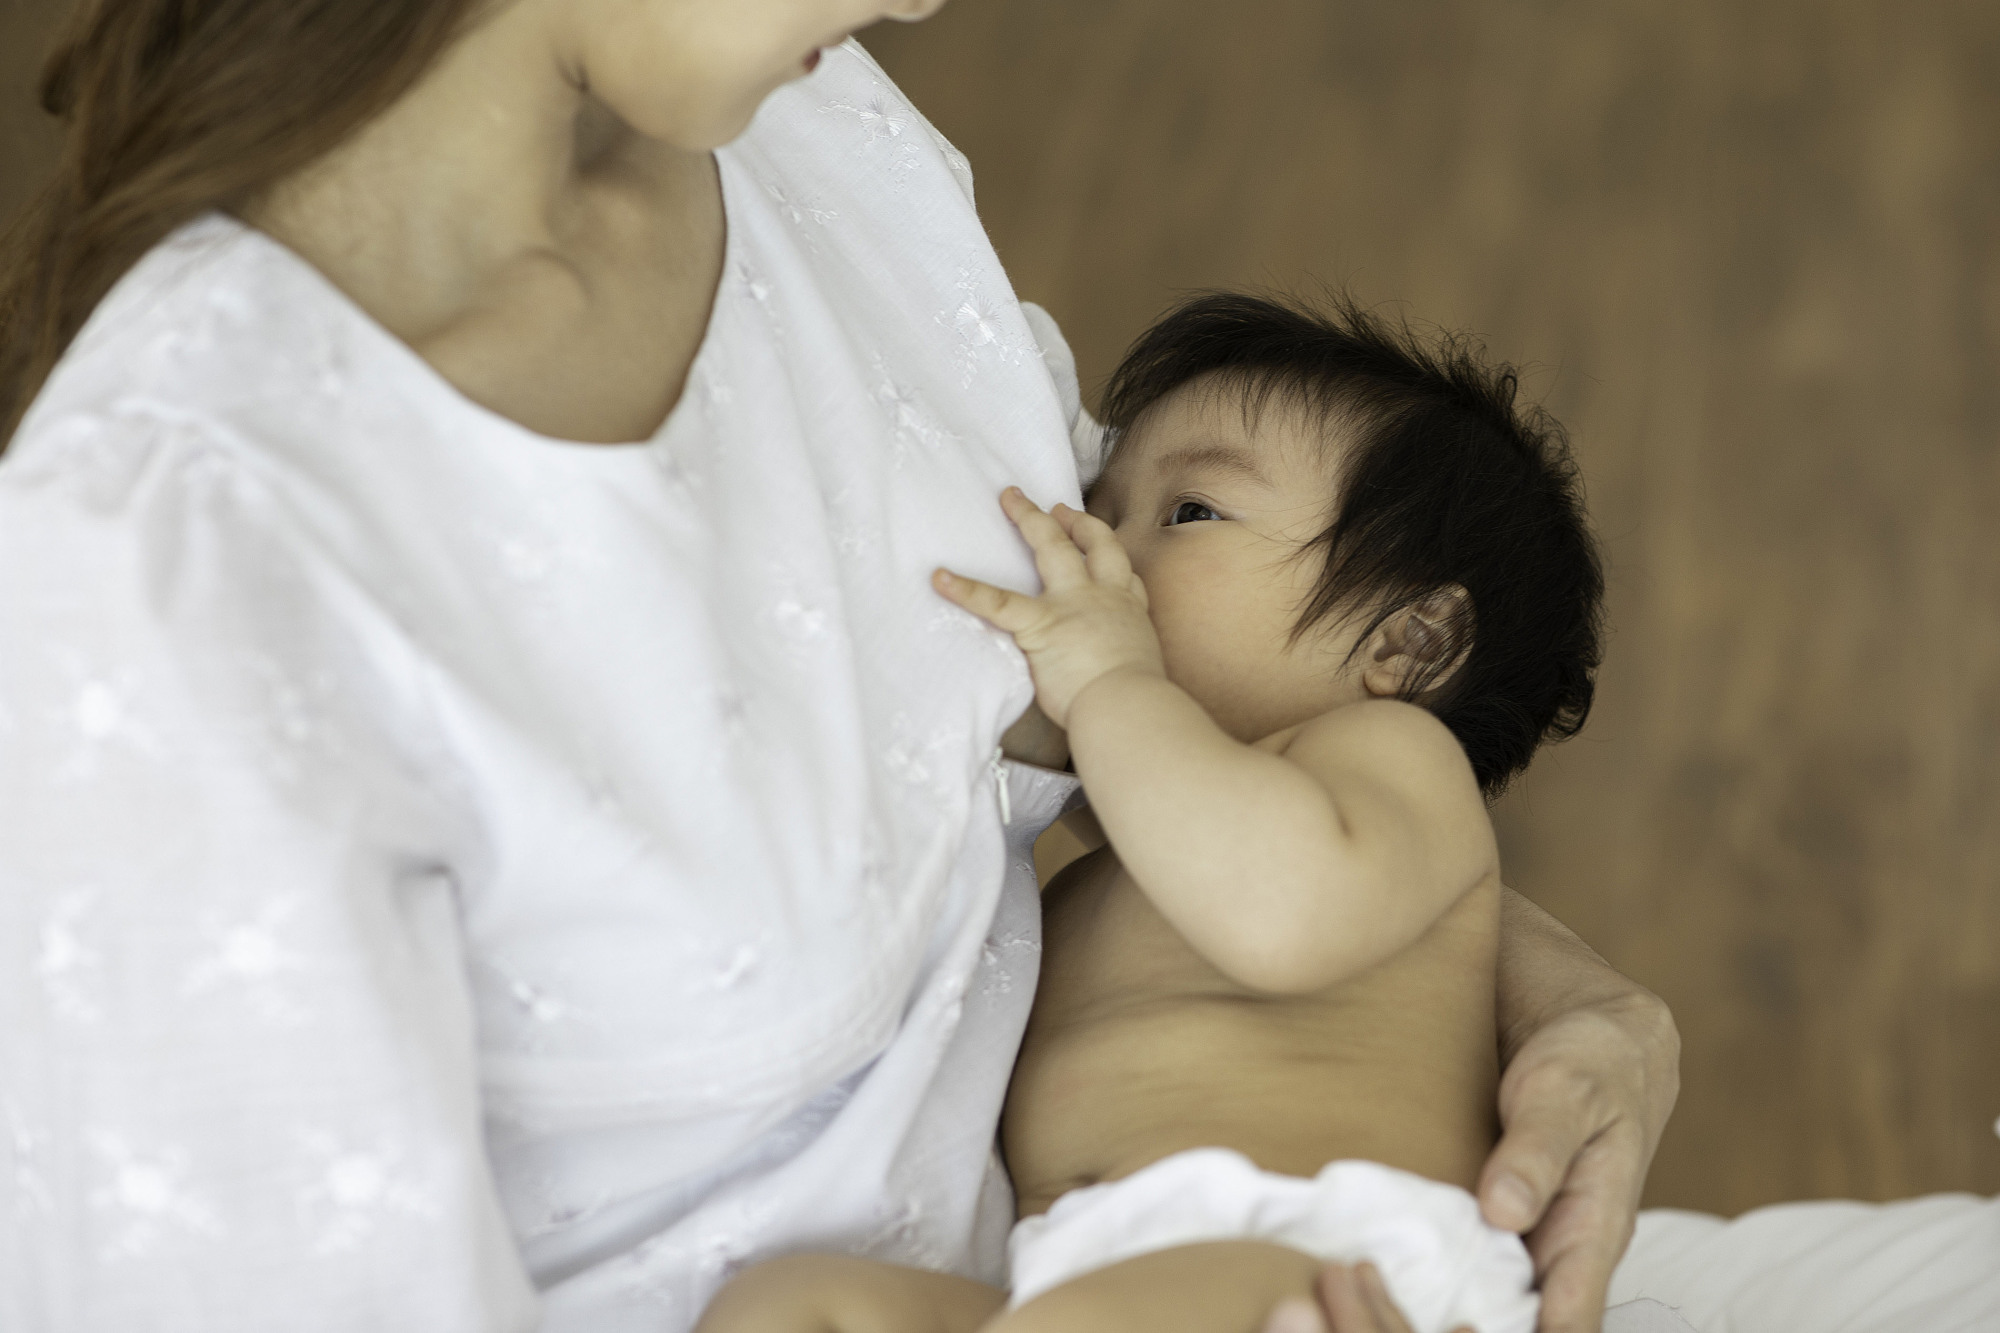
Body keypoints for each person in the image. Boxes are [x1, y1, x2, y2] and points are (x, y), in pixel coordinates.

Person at [0, 4, 1678, 1331]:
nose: (922, 1)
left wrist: (1570, 1005)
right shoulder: (184, 546)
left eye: (1175, 504)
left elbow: (1172, 766)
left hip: (1224, 1258)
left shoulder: (804, 120)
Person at [692, 293, 1600, 1333]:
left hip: (1314, 1253)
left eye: (1189, 513)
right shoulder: (1134, 836)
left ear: (1409, 644)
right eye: (1099, 503)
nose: (1104, 552)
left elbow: (1279, 914)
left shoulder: (1392, 759)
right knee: (792, 1306)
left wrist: (1110, 685)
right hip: (1087, 1266)